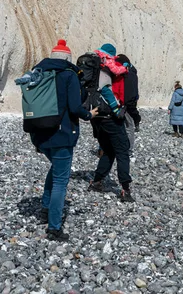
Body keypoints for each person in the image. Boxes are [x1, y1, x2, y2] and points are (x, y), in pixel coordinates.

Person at [26, 39, 99, 241]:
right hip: (61, 134)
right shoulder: (68, 75)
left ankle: (45, 207)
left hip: (39, 133)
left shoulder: (38, 72)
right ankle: (54, 227)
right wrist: (89, 115)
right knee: (61, 180)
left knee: (55, 169)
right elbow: (75, 107)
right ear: (68, 58)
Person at [88, 43, 134, 202]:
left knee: (108, 150)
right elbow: (106, 89)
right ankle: (125, 189)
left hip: (96, 117)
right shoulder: (105, 68)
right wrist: (116, 109)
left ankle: (97, 181)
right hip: (109, 116)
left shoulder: (92, 68)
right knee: (122, 151)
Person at [116, 54, 140, 161]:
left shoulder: (128, 75)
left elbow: (129, 92)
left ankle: (127, 149)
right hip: (127, 105)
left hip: (123, 105)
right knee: (128, 127)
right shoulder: (132, 74)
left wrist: (125, 104)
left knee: (126, 127)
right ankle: (127, 149)